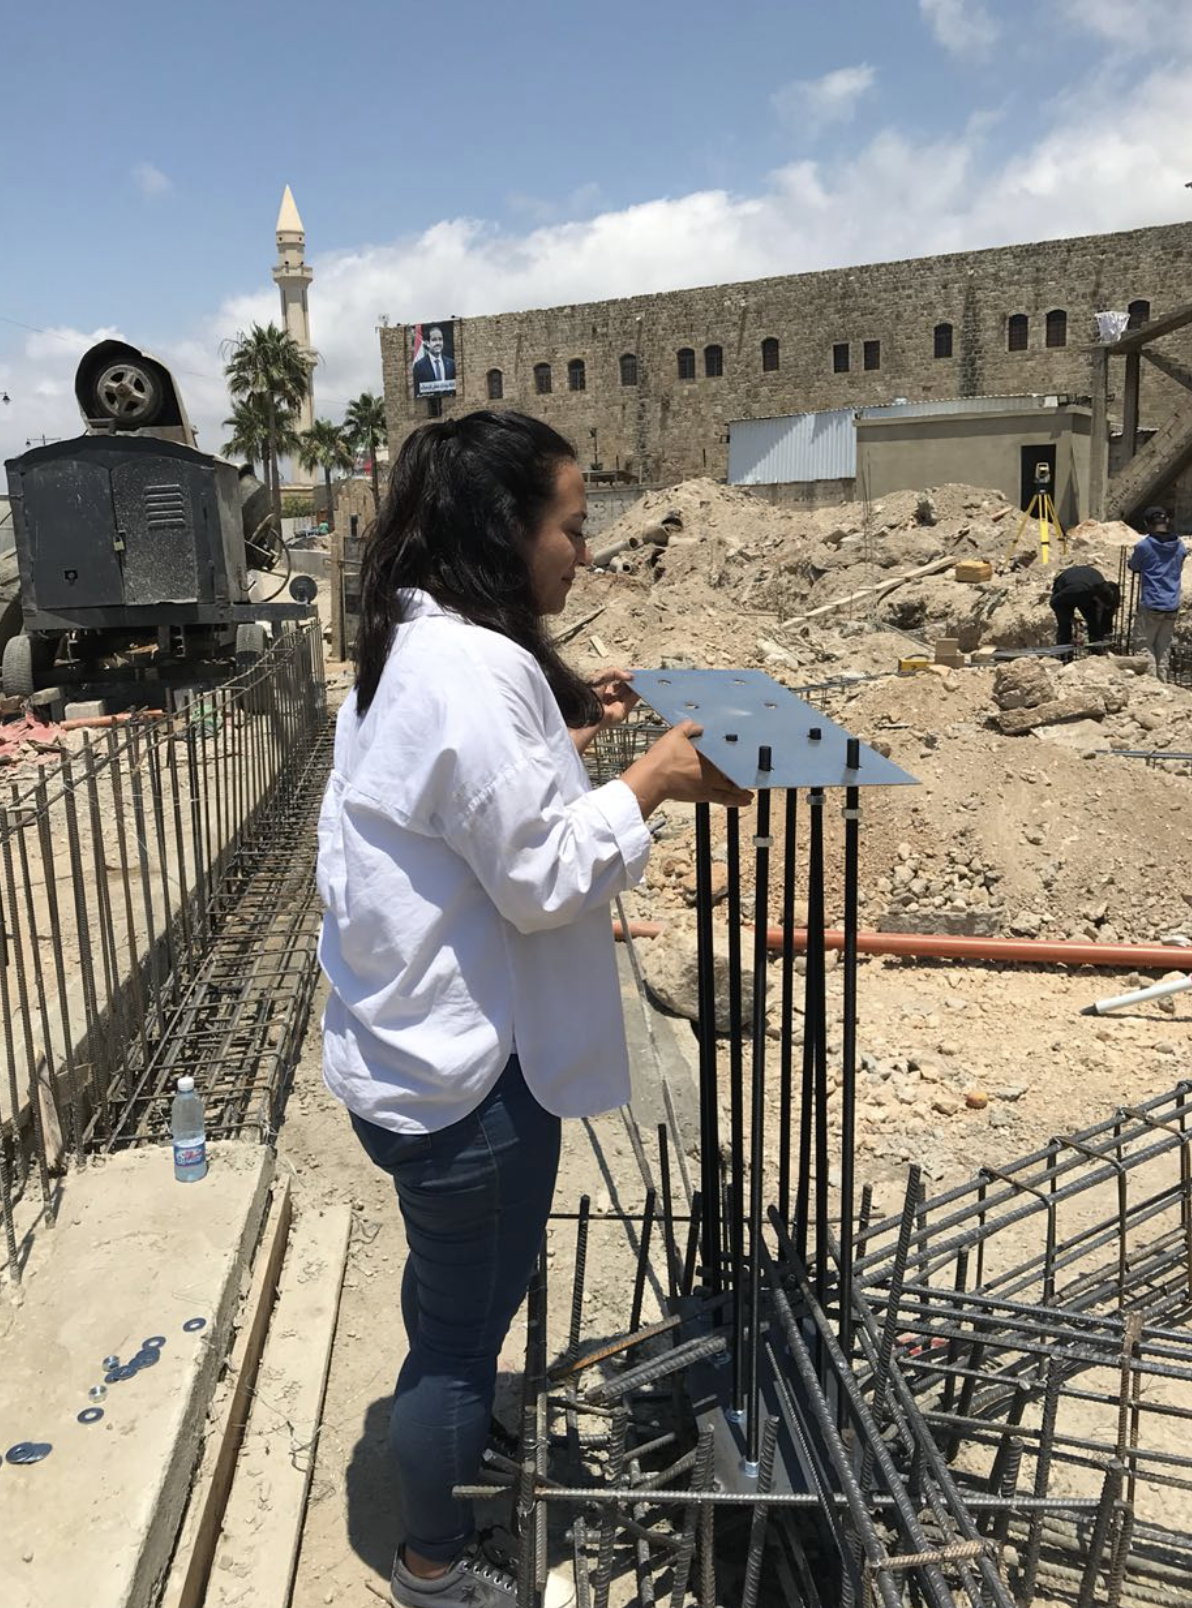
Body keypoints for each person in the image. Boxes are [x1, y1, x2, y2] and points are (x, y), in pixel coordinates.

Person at [315, 410, 751, 1608]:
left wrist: (565, 732)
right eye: (571, 526)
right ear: (504, 530)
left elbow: (472, 797)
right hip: (468, 1089)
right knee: (464, 1340)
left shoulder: (414, 644)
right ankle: (436, 1564)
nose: (584, 553)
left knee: (448, 1295)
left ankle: (449, 1441)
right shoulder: (472, 670)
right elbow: (543, 878)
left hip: (401, 1057)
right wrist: (653, 778)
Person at [1128, 505, 1188, 678]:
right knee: (1164, 646)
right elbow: (1179, 564)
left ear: (1147, 523)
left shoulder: (1144, 546)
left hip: (1151, 603)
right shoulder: (1179, 545)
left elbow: (1134, 565)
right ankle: (1162, 684)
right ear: (1166, 521)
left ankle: (1150, 684)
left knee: (1144, 645)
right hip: (1172, 604)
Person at [1049, 564, 1120, 660]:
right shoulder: (1075, 590)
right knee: (1065, 627)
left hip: (1086, 589)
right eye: (1103, 606)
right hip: (1064, 596)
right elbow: (1054, 602)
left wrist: (1105, 635)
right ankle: (1065, 658)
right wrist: (1071, 618)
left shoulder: (1107, 590)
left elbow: (1106, 617)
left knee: (1094, 623)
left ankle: (1096, 655)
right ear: (1098, 599)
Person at [412, 326, 456, 394]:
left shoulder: (451, 363)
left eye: (440, 339)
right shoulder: (419, 366)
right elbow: (417, 391)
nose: (438, 343)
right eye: (434, 340)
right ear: (427, 343)